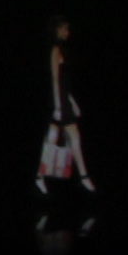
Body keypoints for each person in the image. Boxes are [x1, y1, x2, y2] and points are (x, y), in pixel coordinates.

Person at [35, 15, 96, 194]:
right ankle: (84, 177)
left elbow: (64, 82)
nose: (68, 32)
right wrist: (58, 106)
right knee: (73, 136)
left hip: (62, 99)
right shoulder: (55, 50)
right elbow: (55, 79)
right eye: (65, 28)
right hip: (58, 100)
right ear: (58, 30)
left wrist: (72, 101)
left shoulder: (62, 49)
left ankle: (39, 176)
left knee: (53, 138)